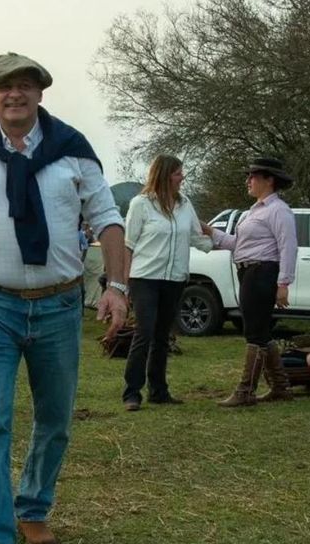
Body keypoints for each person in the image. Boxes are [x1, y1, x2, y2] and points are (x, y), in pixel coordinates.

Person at [0, 52, 128, 544]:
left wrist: (116, 287)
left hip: (59, 305)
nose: (14, 94)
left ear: (41, 94)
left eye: (25, 86)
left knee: (56, 417)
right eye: (4, 87)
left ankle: (34, 505)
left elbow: (108, 219)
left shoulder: (73, 150)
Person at [203, 157, 297, 406]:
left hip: (262, 273)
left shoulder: (279, 210)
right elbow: (237, 244)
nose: (248, 181)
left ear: (269, 180)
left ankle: (246, 391)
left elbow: (288, 247)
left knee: (254, 332)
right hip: (247, 272)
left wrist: (284, 283)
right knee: (261, 331)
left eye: (253, 176)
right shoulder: (252, 212)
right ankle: (280, 386)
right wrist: (211, 232)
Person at [121, 155, 211, 411]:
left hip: (175, 279)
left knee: (162, 336)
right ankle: (131, 392)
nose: (182, 178)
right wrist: (124, 281)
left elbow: (197, 236)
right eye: (177, 173)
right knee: (144, 331)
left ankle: (159, 391)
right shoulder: (140, 205)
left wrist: (232, 243)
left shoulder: (185, 205)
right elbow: (128, 245)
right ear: (164, 175)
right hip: (145, 278)